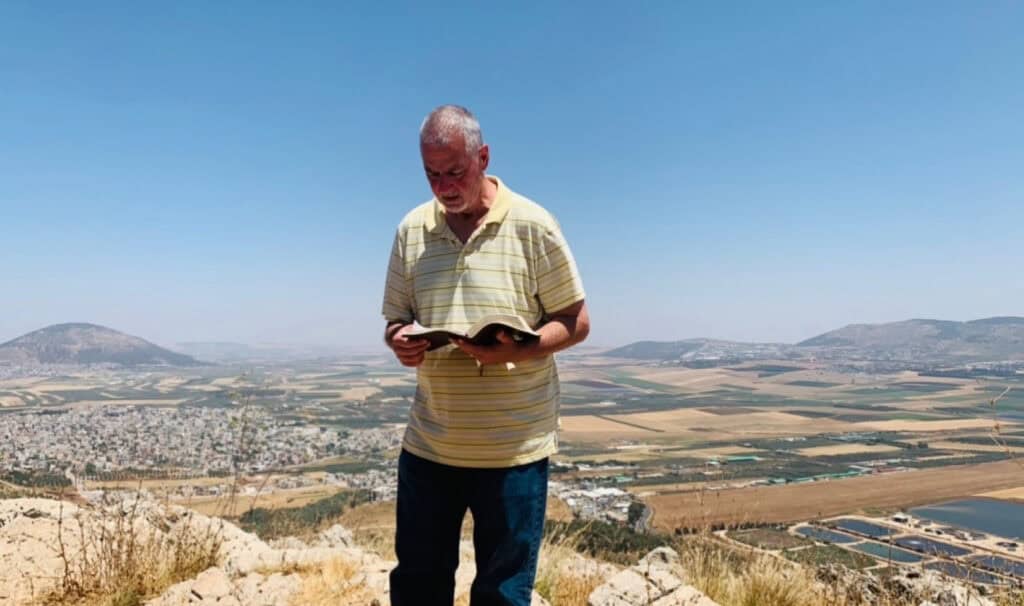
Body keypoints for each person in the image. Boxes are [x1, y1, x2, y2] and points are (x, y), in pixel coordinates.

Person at [381, 105, 590, 606]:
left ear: (484, 157)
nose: (444, 186)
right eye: (432, 174)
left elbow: (577, 321)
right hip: (431, 446)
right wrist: (400, 342)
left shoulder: (534, 224)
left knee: (502, 594)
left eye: (455, 171)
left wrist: (523, 349)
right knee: (418, 585)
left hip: (514, 451)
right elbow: (395, 318)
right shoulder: (412, 230)